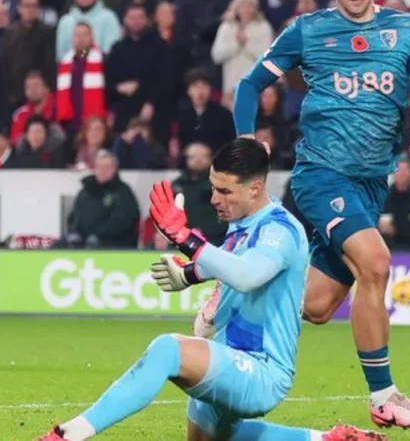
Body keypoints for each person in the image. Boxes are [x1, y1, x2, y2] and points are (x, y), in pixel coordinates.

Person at [35, 139, 386, 441]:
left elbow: (248, 274)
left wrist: (187, 240)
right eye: (213, 187)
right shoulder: (242, 224)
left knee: (166, 350)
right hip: (231, 353)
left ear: (255, 188)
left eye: (224, 191)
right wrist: (187, 275)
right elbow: (225, 262)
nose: (215, 198)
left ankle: (69, 433)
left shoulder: (280, 230)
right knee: (212, 438)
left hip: (262, 369)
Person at [231, 0, 410, 428]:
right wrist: (248, 140)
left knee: (317, 305)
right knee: (376, 263)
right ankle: (384, 397)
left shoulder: (405, 28)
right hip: (322, 173)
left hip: (373, 183)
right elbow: (250, 85)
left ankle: (230, 299)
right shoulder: (307, 31)